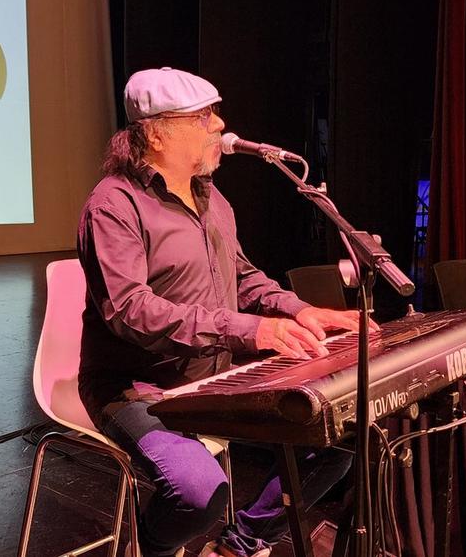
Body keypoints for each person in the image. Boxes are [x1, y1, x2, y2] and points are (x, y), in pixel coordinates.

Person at [77, 67, 373, 557]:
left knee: (335, 439)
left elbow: (244, 279)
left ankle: (239, 546)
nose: (220, 125)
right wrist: (249, 329)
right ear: (156, 131)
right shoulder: (114, 205)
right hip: (137, 388)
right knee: (199, 494)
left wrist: (302, 311)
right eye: (203, 116)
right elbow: (131, 311)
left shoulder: (212, 199)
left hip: (212, 378)